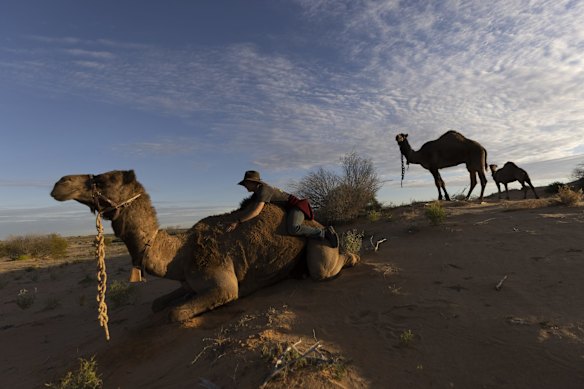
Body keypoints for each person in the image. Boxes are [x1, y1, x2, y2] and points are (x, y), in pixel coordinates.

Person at [226, 170, 339, 248]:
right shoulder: (257, 192)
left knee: (293, 228)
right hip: (288, 209)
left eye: (246, 183)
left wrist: (238, 221)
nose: (245, 186)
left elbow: (256, 211)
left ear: (253, 182)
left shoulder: (263, 190)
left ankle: (323, 232)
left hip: (296, 207)